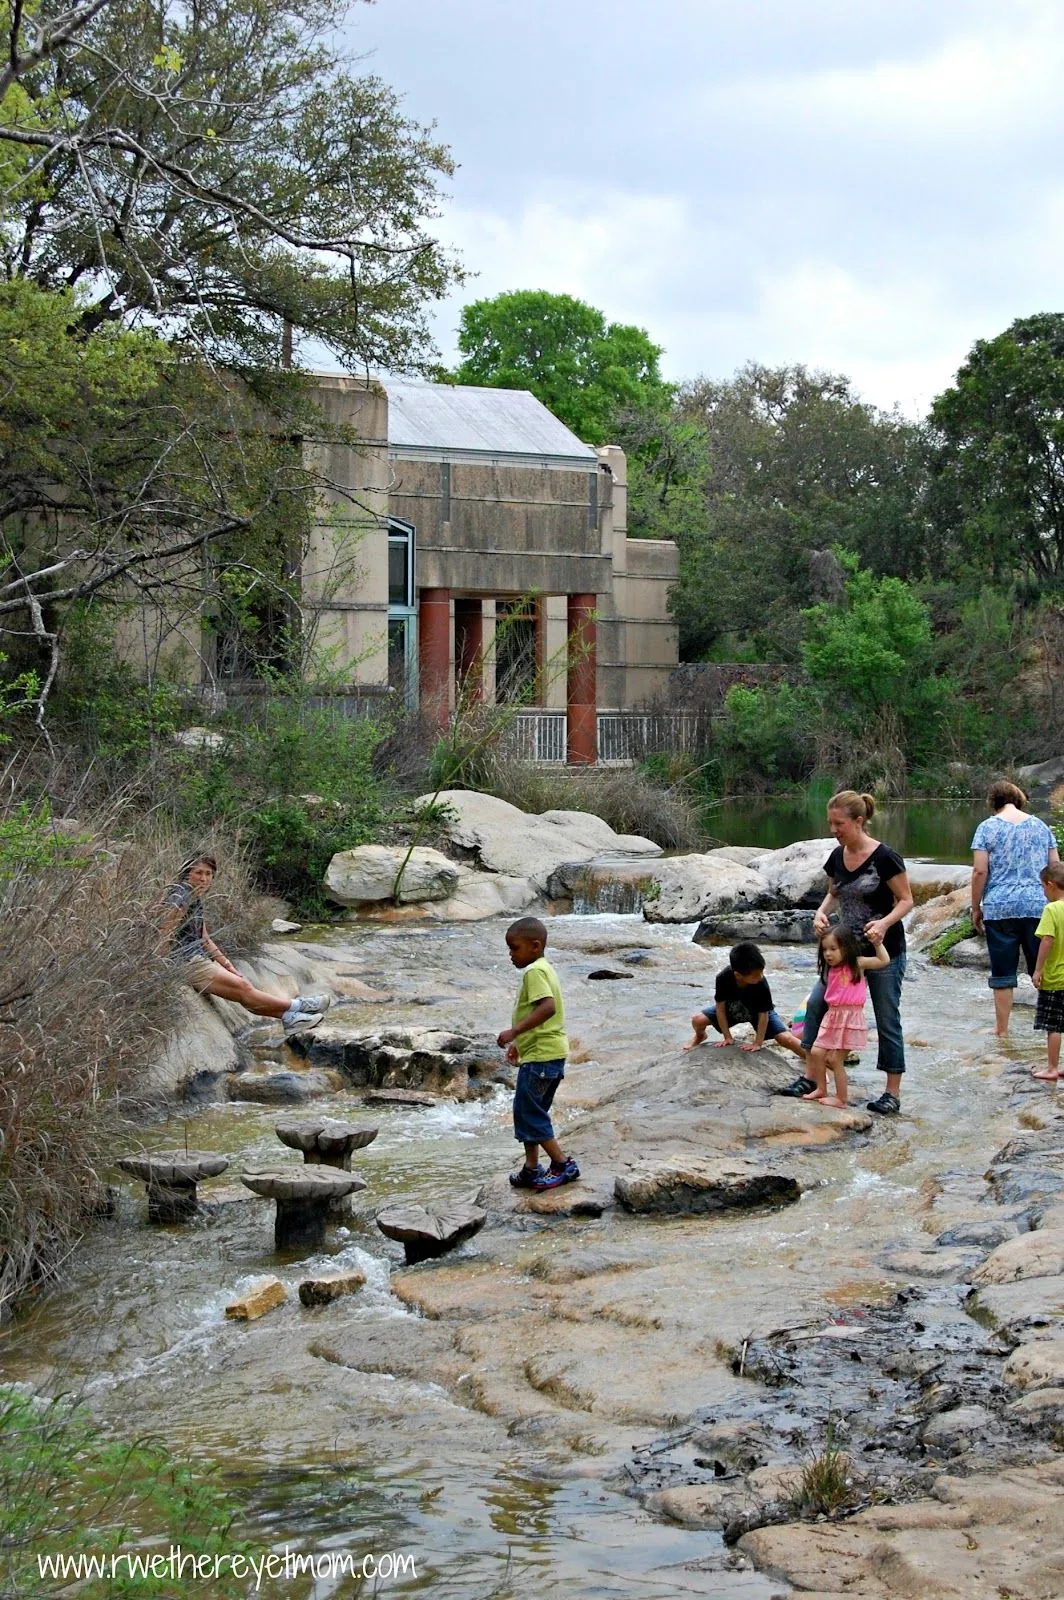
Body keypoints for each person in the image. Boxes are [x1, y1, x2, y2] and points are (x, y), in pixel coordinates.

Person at [779, 790, 913, 1115]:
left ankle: (891, 1093)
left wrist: (883, 924)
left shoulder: (885, 858)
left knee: (886, 1018)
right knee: (815, 1005)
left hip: (883, 950)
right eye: (831, 823)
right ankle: (811, 1078)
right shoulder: (837, 857)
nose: (833, 829)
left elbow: (907, 901)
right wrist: (820, 913)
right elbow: (832, 893)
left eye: (839, 824)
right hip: (841, 952)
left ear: (859, 821)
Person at [160, 854, 328, 1032]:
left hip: (196, 958)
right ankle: (298, 1006)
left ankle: (290, 1018)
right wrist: (161, 974)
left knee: (242, 989)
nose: (204, 878)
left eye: (208, 874)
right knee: (243, 988)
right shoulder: (181, 897)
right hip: (185, 963)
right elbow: (163, 933)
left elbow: (205, 939)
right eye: (198, 873)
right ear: (186, 874)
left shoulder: (194, 897)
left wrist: (229, 966)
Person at [498, 916, 580, 1192]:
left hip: (542, 1056)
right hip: (544, 1053)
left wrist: (513, 1032)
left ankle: (562, 1163)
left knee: (529, 1112)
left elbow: (547, 1008)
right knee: (531, 1111)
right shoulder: (545, 968)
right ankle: (531, 1168)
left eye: (514, 948)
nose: (511, 954)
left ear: (535, 946)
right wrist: (520, 1042)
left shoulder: (534, 972)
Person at [971, 780, 1059, 1037]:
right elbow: (1055, 868)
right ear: (1019, 799)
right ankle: (1051, 1030)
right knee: (1044, 970)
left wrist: (976, 907)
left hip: (1000, 908)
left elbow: (979, 871)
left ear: (993, 801)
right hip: (1037, 906)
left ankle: (1002, 1032)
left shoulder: (986, 828)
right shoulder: (1041, 827)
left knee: (1003, 973)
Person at [803, 927, 889, 1108]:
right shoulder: (831, 969)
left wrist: (878, 944)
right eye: (825, 950)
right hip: (832, 1016)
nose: (828, 954)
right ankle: (821, 1089)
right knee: (817, 1052)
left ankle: (841, 1099)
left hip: (850, 1018)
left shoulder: (857, 964)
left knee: (835, 1060)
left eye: (833, 949)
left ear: (847, 947)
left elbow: (883, 960)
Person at [684, 941, 807, 1061]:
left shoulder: (761, 983)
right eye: (755, 975)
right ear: (738, 975)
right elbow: (720, 1008)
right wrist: (727, 1037)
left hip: (758, 1013)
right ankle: (700, 1036)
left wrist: (757, 1043)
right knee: (697, 1020)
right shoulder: (723, 978)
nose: (760, 977)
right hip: (733, 1010)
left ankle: (812, 1062)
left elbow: (763, 1014)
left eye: (762, 972)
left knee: (786, 1038)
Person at [1032, 862, 1064, 1081]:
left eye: (1043, 887)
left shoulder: (1052, 909)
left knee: (1054, 1026)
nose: (1043, 891)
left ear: (1051, 885)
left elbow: (1047, 939)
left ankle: (1052, 1068)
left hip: (1056, 977)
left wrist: (1038, 969)